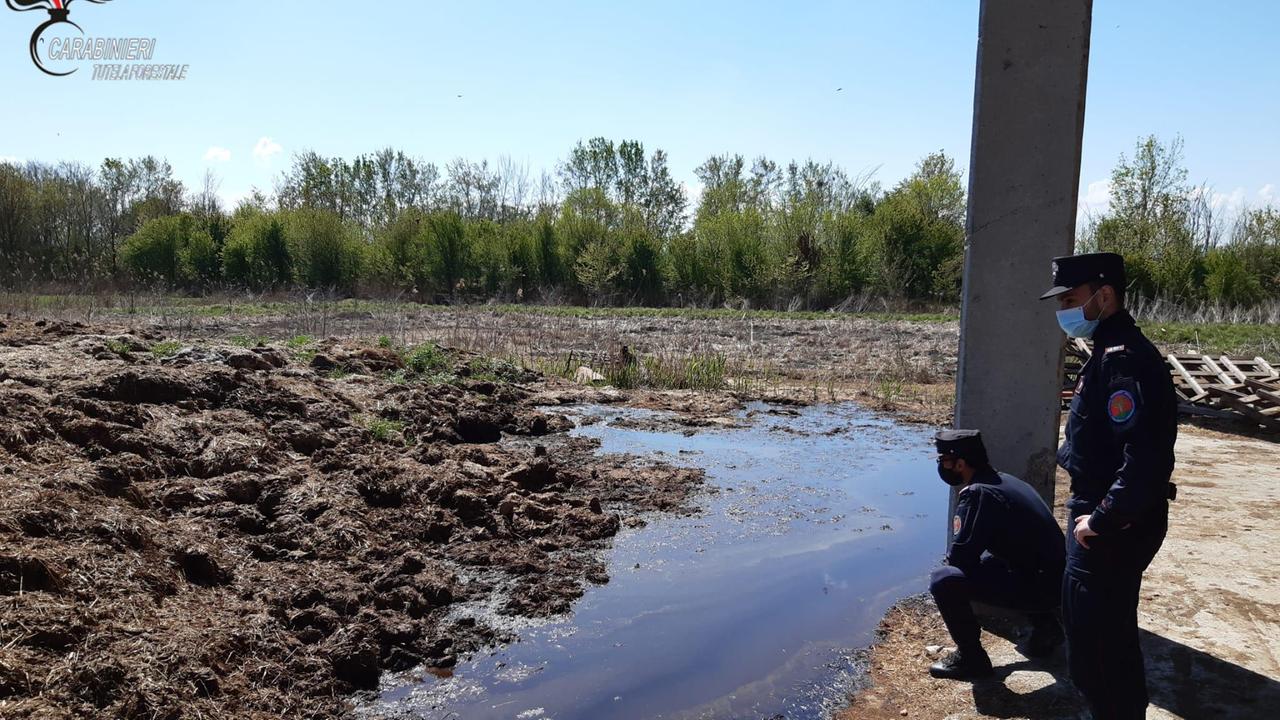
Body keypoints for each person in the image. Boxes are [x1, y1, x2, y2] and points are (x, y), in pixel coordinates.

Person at [1041, 252, 1177, 719]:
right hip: (1102, 513)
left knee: (1099, 646)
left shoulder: (1124, 360)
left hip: (1108, 523)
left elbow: (1144, 455)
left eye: (1072, 299)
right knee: (1102, 636)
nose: (1064, 311)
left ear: (1104, 295)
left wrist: (1102, 519)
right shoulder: (1107, 350)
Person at [928, 429, 1066, 680]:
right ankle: (1046, 627)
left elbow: (959, 559)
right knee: (1001, 559)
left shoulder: (978, 493)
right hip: (1056, 581)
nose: (942, 467)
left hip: (1043, 587)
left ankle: (972, 660)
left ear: (960, 463)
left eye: (944, 461)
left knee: (944, 579)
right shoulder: (1005, 481)